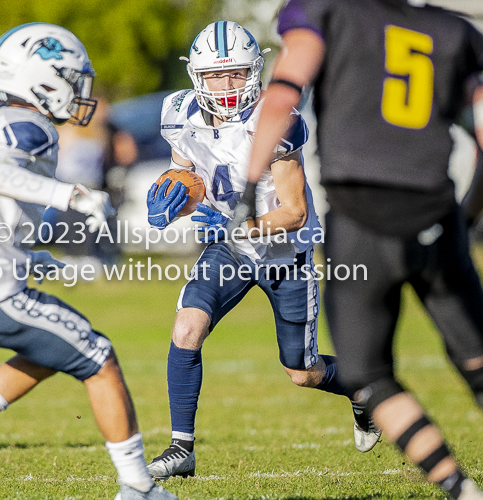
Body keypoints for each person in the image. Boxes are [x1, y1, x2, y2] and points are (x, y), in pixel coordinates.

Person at [234, 1, 483, 498]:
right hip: (435, 216)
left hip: (360, 221)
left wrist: (251, 181)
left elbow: (286, 89)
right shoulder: (453, 31)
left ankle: (460, 488)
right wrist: (464, 216)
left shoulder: (329, 12)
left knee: (369, 376)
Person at [0, 23, 177, 500]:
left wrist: (41, 261)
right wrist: (75, 196)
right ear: (44, 80)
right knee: (98, 356)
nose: (80, 91)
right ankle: (138, 488)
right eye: (72, 78)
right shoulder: (29, 125)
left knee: (51, 351)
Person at [144, 20, 380, 482]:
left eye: (236, 74)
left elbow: (292, 212)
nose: (227, 85)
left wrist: (238, 225)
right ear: (198, 76)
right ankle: (181, 449)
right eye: (217, 75)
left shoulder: (275, 119)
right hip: (229, 251)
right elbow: (185, 173)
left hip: (285, 254)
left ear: (253, 72)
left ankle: (362, 390)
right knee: (187, 328)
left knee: (302, 370)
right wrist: (169, 199)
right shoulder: (178, 113)